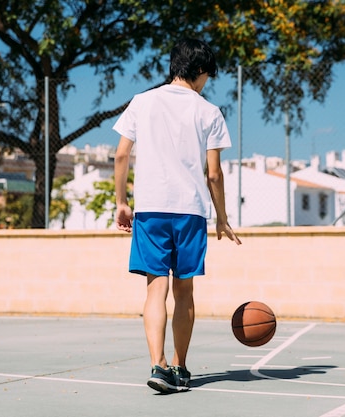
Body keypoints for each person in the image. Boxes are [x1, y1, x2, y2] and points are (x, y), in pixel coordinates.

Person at [113, 38, 242, 394]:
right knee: (184, 291)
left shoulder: (142, 101)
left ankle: (158, 365)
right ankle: (181, 367)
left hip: (151, 209)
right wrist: (222, 217)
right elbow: (213, 174)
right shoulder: (209, 111)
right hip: (190, 211)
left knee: (156, 289)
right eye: (206, 77)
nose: (205, 84)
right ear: (200, 71)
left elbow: (121, 155)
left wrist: (122, 202)